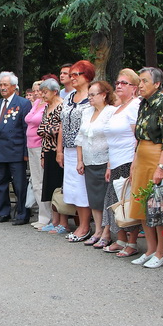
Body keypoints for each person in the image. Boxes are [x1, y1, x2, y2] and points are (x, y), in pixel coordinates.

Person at [129, 67, 163, 268]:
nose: (140, 85)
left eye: (144, 81)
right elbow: (139, 137)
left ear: (157, 84)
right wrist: (134, 162)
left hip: (157, 156)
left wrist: (161, 167)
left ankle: (161, 252)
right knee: (142, 204)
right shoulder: (143, 103)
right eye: (139, 81)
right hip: (141, 155)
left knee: (157, 205)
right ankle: (150, 249)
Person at [101, 69, 141, 254]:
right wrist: (109, 165)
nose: (119, 86)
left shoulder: (135, 106)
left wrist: (134, 163)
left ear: (134, 87)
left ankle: (132, 243)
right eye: (117, 82)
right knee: (115, 201)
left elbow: (137, 137)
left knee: (127, 201)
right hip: (115, 161)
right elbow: (112, 140)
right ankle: (121, 239)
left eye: (124, 83)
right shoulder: (118, 108)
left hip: (127, 160)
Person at [57, 60, 95, 242]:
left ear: (86, 76)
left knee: (82, 189)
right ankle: (81, 224)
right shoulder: (69, 97)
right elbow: (62, 124)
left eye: (75, 75)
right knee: (73, 188)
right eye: (70, 75)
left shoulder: (92, 97)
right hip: (69, 149)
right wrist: (59, 150)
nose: (72, 78)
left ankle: (85, 226)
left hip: (86, 150)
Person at [75, 81, 116, 246]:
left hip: (104, 161)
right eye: (89, 95)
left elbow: (113, 139)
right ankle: (98, 230)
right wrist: (80, 160)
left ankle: (107, 232)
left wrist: (110, 164)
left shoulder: (111, 112)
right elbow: (80, 137)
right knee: (94, 198)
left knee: (106, 198)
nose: (89, 98)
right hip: (89, 161)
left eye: (93, 95)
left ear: (104, 95)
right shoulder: (86, 112)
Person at [0, 71, 32, 226]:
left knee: (19, 185)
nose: (2, 88)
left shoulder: (23, 103)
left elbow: (26, 129)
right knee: (0, 183)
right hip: (0, 150)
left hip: (16, 150)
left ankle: (22, 214)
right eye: (1, 85)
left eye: (6, 85)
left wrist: (25, 152)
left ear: (14, 86)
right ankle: (3, 212)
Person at [36, 78, 69, 235]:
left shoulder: (62, 106)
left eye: (45, 92)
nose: (43, 95)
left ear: (55, 91)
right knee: (50, 188)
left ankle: (63, 222)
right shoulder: (46, 107)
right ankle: (54, 221)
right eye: (41, 92)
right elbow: (42, 132)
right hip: (48, 151)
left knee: (59, 187)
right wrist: (43, 155)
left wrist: (45, 129)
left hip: (59, 151)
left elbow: (58, 130)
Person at [25, 80, 49, 229]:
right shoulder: (36, 103)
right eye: (34, 90)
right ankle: (42, 215)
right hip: (31, 146)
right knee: (35, 183)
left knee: (42, 182)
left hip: (41, 146)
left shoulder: (48, 105)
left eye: (39, 90)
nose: (36, 93)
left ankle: (46, 217)